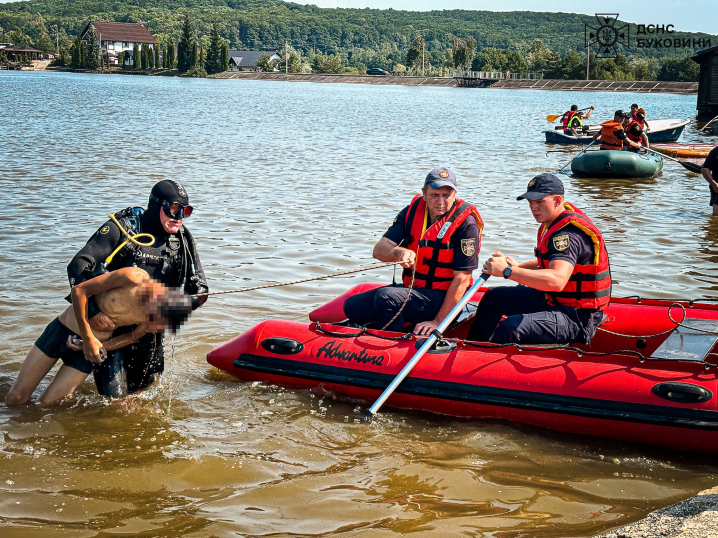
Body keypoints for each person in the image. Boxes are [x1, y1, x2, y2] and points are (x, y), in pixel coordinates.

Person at [66, 180, 208, 396]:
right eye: (173, 209)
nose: (178, 217)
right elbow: (78, 265)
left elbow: (200, 289)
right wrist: (92, 313)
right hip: (111, 327)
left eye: (185, 211)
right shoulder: (124, 229)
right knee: (115, 402)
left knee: (144, 396)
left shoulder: (182, 240)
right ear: (156, 205)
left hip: (148, 332)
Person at [5, 267, 193, 406]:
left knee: (47, 405)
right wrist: (87, 338)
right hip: (62, 329)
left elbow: (133, 336)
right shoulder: (133, 277)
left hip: (88, 352)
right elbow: (79, 290)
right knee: (16, 397)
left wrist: (99, 347)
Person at [466, 173, 611, 345]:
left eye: (540, 201)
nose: (533, 207)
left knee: (511, 328)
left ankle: (486, 364)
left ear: (557, 201)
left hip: (576, 317)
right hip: (554, 301)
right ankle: (472, 347)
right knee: (493, 297)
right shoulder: (553, 223)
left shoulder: (567, 235)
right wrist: (520, 267)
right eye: (530, 202)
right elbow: (555, 262)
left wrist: (507, 271)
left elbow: (557, 280)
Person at [343, 167, 483, 335]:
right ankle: (389, 325)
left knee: (386, 296)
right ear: (424, 193)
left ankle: (392, 341)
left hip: (443, 298)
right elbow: (379, 250)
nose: (440, 201)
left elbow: (462, 279)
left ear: (454, 194)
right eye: (434, 195)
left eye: (446, 195)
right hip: (415, 290)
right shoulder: (411, 212)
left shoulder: (466, 225)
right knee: (352, 307)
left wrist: (438, 321)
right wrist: (399, 253)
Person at [702, 146, 718, 216]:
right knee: (716, 214)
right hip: (716, 185)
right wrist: (713, 183)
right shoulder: (715, 151)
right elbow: (705, 169)